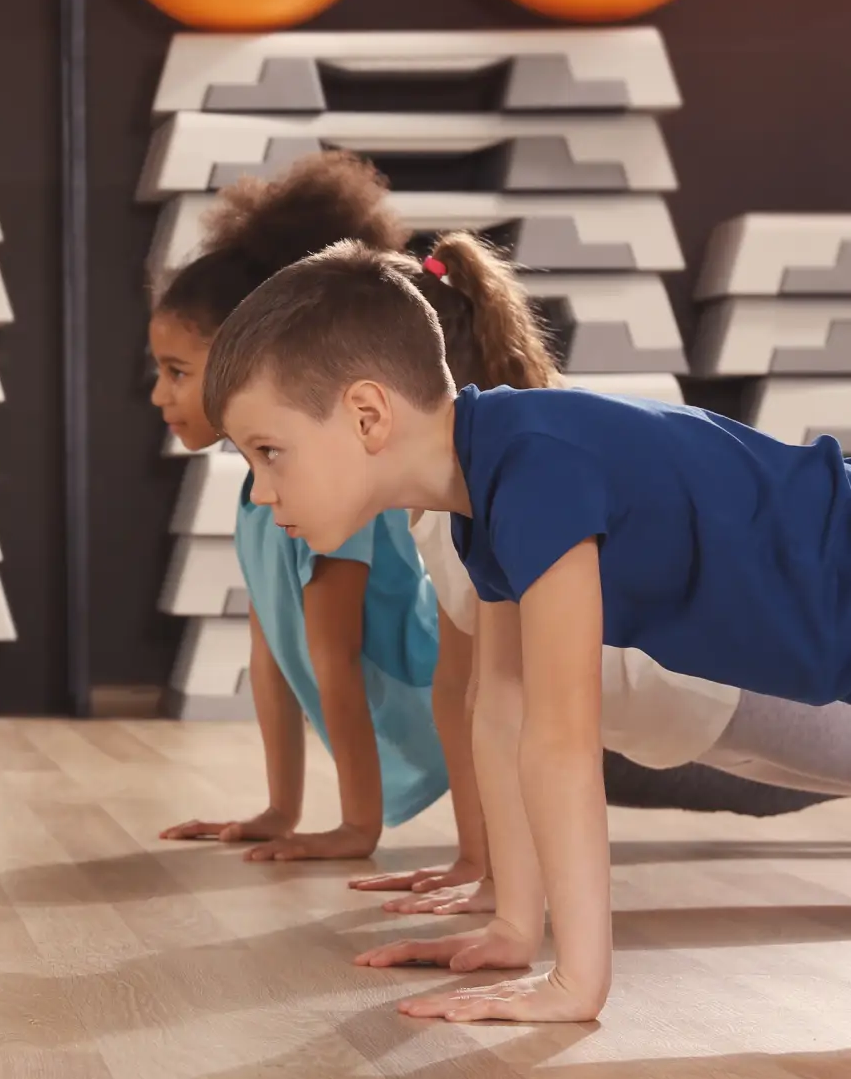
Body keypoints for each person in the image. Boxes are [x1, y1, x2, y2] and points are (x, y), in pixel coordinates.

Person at [200, 232, 851, 1024]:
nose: (263, 492)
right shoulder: (491, 483)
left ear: (367, 413)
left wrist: (576, 984)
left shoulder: (535, 466)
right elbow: (499, 708)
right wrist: (515, 925)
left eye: (271, 453)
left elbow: (561, 740)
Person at [350, 236, 851, 934]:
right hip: (691, 712)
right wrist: (487, 874)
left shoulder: (516, 478)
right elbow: (485, 699)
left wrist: (518, 914)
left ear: (376, 407)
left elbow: (504, 709)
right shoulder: (455, 503)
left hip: (724, 690)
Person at [147, 152, 478, 883]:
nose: (158, 396)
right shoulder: (258, 496)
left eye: (177, 372)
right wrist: (279, 810)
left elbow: (336, 660)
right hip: (461, 735)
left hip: (493, 722)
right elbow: (274, 663)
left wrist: (357, 825)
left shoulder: (333, 495)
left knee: (718, 762)